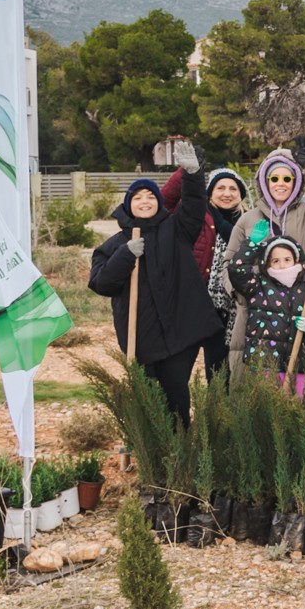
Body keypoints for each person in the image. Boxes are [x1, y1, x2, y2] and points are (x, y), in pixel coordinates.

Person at [88, 147, 214, 424]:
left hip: (178, 335)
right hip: (140, 338)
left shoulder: (177, 230)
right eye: (138, 198)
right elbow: (101, 284)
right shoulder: (112, 247)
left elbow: (194, 208)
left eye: (150, 197)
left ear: (159, 202)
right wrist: (125, 255)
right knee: (146, 399)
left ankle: (180, 449)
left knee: (177, 396)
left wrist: (193, 175)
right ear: (128, 205)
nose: (145, 202)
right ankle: (149, 451)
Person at [221, 140, 305, 379]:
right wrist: (240, 294)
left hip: (302, 309)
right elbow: (229, 262)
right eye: (274, 179)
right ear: (265, 182)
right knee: (259, 385)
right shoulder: (248, 220)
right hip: (259, 315)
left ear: (296, 181)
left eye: (287, 178)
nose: (280, 184)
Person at [159, 163, 249, 381]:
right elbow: (164, 203)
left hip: (226, 310)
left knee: (219, 376)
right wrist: (186, 173)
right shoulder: (194, 214)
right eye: (220, 188)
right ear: (209, 192)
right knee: (177, 373)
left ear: (241, 194)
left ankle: (216, 414)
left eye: (233, 189)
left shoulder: (247, 222)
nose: (227, 193)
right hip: (191, 305)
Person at [227, 236, 305, 388]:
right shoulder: (258, 287)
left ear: (297, 260)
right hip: (263, 363)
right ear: (267, 263)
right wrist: (252, 245)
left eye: (287, 259)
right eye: (276, 261)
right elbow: (237, 270)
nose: (282, 265)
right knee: (265, 405)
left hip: (296, 364)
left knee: (293, 406)